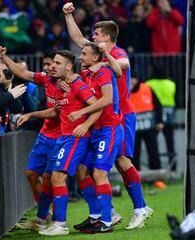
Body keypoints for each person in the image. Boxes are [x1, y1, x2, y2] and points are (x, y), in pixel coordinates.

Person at [63, 2, 153, 230]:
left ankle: (140, 208)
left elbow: (123, 64)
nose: (92, 37)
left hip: (119, 116)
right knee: (84, 169)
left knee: (122, 162)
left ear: (107, 38)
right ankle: (103, 213)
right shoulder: (93, 53)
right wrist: (68, 15)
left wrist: (100, 61)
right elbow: (77, 39)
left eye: (97, 34)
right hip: (98, 119)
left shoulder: (116, 53)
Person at [37, 50, 101, 236]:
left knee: (58, 177)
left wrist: (85, 123)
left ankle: (61, 224)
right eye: (52, 63)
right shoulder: (65, 85)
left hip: (75, 138)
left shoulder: (78, 84)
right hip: (63, 138)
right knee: (77, 174)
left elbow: (98, 105)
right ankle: (102, 213)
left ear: (68, 66)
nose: (53, 66)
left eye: (57, 63)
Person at [65, 42, 123, 233]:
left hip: (109, 129)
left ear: (95, 58)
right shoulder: (86, 75)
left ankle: (107, 222)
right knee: (81, 172)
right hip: (95, 131)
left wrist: (82, 115)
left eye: (84, 54)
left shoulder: (102, 73)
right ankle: (95, 216)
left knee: (99, 173)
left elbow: (107, 100)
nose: (80, 57)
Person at [0, 48, 61, 211]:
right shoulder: (46, 79)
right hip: (45, 135)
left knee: (51, 178)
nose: (45, 68)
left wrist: (31, 114)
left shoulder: (67, 84)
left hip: (62, 136)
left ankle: (56, 218)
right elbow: (24, 73)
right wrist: (4, 57)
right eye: (44, 64)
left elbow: (54, 112)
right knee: (31, 174)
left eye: (48, 64)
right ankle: (45, 214)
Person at [146, 63, 176, 171]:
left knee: (153, 145)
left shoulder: (148, 84)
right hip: (169, 115)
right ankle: (173, 168)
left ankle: (155, 168)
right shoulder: (171, 84)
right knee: (170, 143)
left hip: (154, 116)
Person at [130, 73, 163, 170]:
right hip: (133, 128)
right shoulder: (123, 91)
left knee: (153, 151)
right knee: (134, 154)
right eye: (129, 78)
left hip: (149, 126)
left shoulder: (147, 88)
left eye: (133, 78)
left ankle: (157, 176)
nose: (131, 81)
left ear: (137, 79)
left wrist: (159, 121)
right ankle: (135, 178)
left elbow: (158, 105)